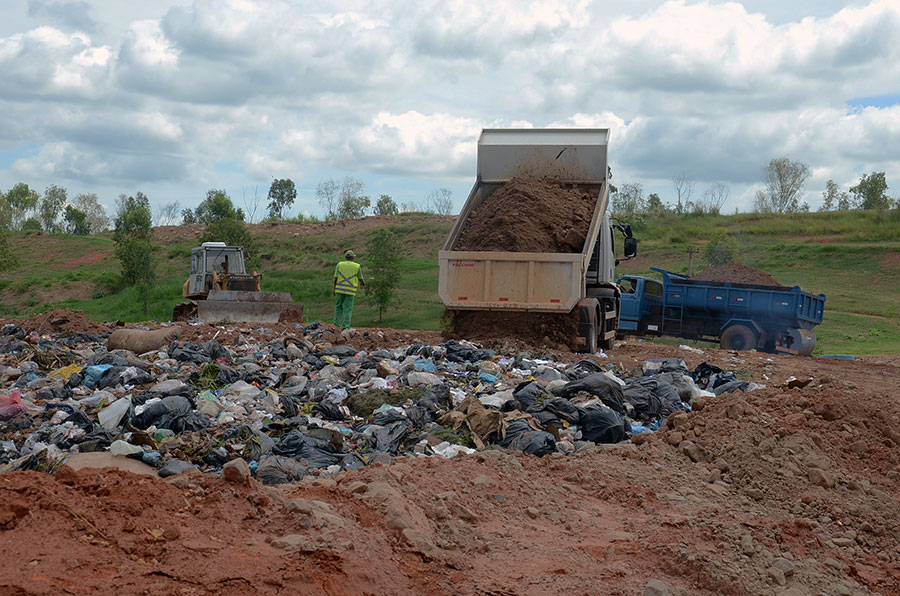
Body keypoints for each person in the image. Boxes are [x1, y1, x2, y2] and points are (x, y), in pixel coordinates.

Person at [333, 249, 365, 330]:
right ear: (353, 258)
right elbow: (361, 278)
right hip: (350, 292)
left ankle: (336, 325)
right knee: (348, 309)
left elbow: (336, 278)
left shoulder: (339, 265)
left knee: (338, 307)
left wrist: (334, 289)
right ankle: (345, 327)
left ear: (346, 257)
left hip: (339, 290)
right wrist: (363, 283)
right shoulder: (357, 266)